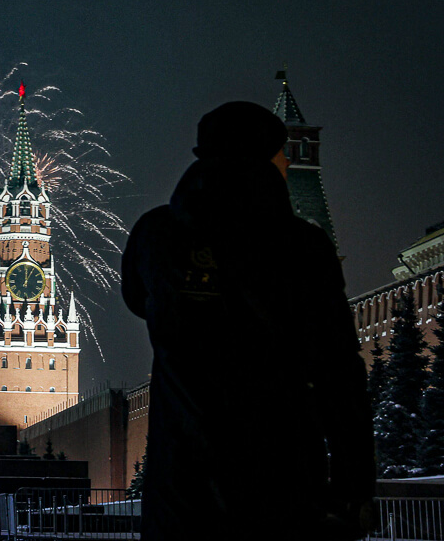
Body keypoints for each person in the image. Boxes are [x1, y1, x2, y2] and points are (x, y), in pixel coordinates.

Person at [122, 101, 375, 541]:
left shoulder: (154, 234)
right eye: (282, 155)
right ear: (269, 158)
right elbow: (339, 374)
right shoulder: (304, 247)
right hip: (281, 480)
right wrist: (354, 489)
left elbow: (138, 301)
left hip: (180, 487)